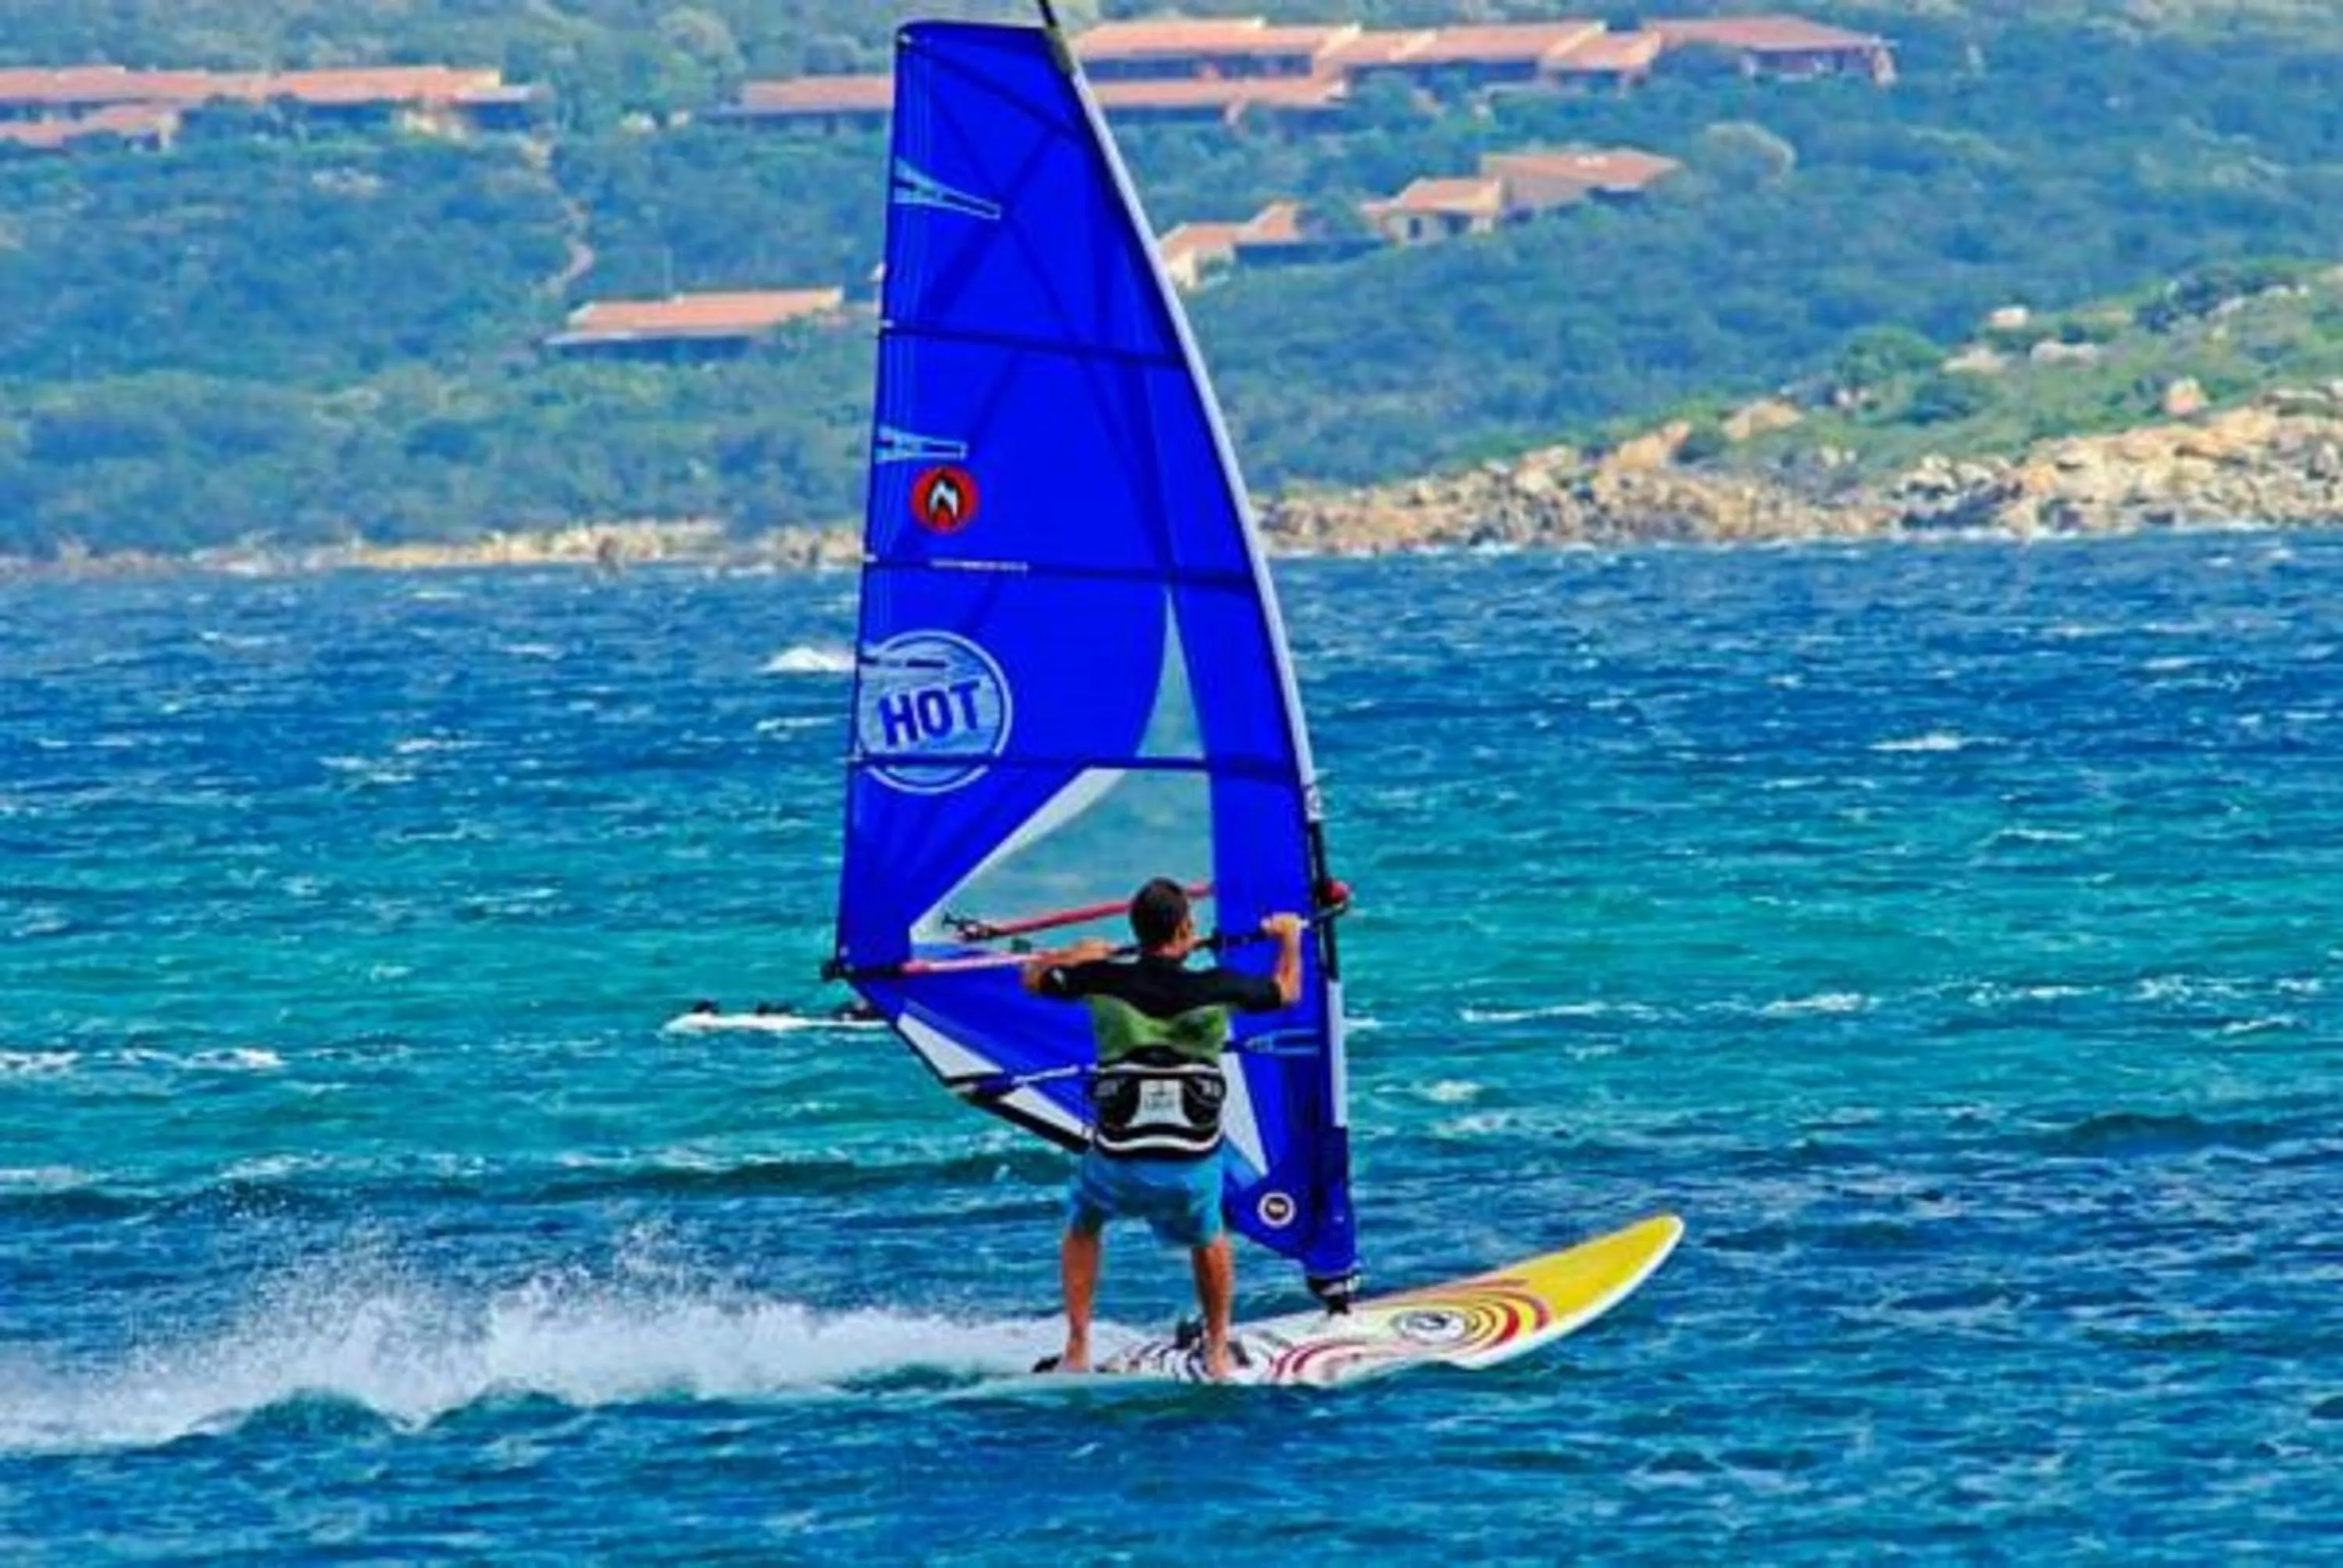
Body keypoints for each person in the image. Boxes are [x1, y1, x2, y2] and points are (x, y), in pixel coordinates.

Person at [1022, 877, 1304, 1380]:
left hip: (1116, 1163)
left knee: (1083, 1223)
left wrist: (1070, 954)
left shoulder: (1102, 980)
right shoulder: (1219, 986)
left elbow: (1031, 978)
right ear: (1186, 929)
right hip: (1189, 1165)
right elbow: (1287, 991)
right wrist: (1289, 936)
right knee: (1210, 1235)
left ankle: (1078, 1346)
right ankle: (1217, 1350)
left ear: (1137, 929)